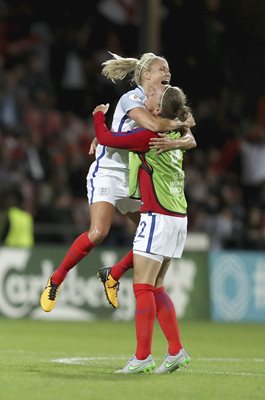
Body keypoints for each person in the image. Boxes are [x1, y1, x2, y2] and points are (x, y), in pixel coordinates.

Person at [40, 51, 194, 312]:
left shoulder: (164, 103)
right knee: (98, 233)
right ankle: (56, 280)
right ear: (146, 75)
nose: (167, 73)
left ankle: (112, 276)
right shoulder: (132, 98)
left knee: (149, 237)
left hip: (132, 175)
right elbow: (153, 125)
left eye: (168, 69)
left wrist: (175, 138)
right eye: (162, 69)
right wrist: (180, 122)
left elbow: (190, 134)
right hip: (109, 170)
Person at [92, 84, 196, 373]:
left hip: (157, 214)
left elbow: (106, 138)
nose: (146, 95)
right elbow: (189, 134)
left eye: (151, 95)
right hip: (179, 215)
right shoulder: (177, 131)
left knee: (142, 288)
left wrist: (98, 116)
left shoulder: (149, 135)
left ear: (158, 109)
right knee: (157, 286)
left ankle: (142, 357)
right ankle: (175, 351)